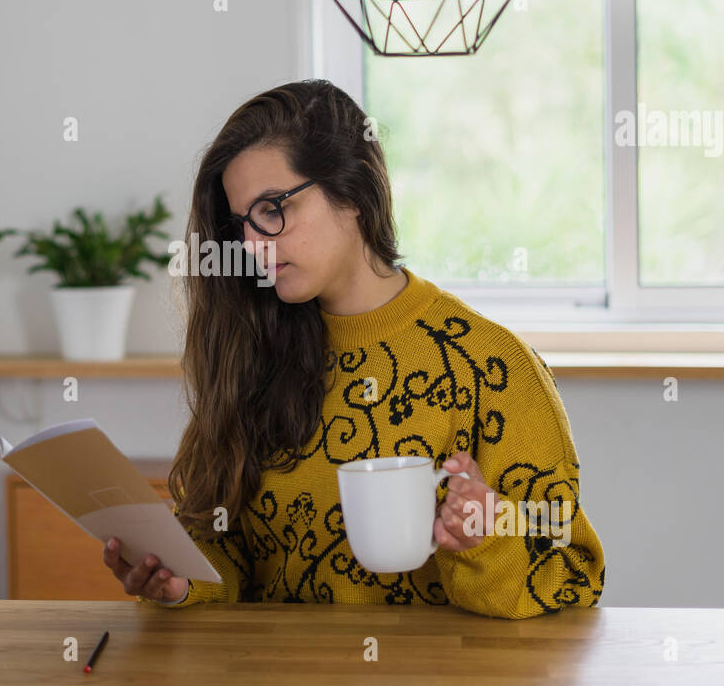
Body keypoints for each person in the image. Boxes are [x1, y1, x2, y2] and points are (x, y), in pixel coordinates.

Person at [103, 79, 604, 617]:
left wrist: (486, 537)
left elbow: (573, 576)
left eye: (273, 209)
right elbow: (229, 552)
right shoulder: (249, 351)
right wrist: (182, 583)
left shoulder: (492, 365)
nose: (252, 244)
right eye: (241, 223)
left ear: (353, 192)